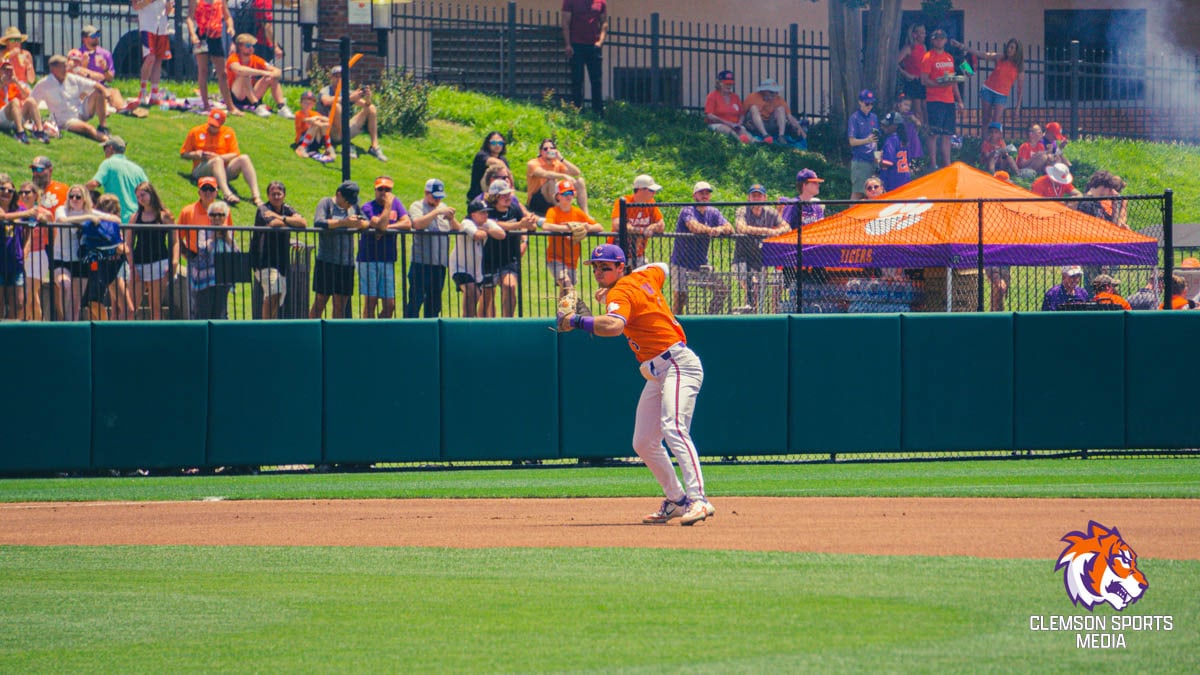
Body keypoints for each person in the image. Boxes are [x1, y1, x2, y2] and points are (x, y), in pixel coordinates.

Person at [557, 244, 714, 526]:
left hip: (678, 363)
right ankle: (677, 501)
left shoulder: (621, 291)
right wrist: (627, 280)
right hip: (658, 371)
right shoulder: (646, 276)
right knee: (643, 442)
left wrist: (577, 321)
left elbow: (614, 327)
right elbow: (663, 267)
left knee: (674, 428)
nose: (598, 272)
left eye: (605, 267)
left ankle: (699, 500)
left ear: (620, 267)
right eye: (595, 267)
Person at [670, 181, 732, 315]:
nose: (705, 196)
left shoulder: (713, 212)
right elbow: (694, 227)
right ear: (694, 195)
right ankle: (676, 325)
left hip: (700, 263)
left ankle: (708, 318)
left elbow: (729, 227)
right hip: (681, 262)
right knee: (680, 298)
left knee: (721, 289)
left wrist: (719, 229)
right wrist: (711, 230)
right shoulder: (688, 210)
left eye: (707, 193)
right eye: (701, 193)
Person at [180, 108, 263, 206]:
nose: (211, 127)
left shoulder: (228, 132)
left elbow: (235, 154)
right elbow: (183, 154)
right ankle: (227, 194)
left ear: (221, 125)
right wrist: (195, 155)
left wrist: (218, 157)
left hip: (223, 170)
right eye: (210, 124)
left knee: (244, 158)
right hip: (201, 170)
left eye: (215, 126)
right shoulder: (196, 131)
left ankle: (256, 197)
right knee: (217, 160)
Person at [542, 179, 602, 312]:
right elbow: (546, 226)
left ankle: (562, 317)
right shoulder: (553, 211)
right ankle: (572, 314)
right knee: (567, 285)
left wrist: (587, 227)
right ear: (557, 196)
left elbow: (599, 226)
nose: (569, 196)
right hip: (555, 257)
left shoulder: (577, 212)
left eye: (571, 192)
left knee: (565, 290)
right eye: (565, 193)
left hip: (572, 260)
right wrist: (566, 227)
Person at [310, 180, 367, 319]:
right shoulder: (326, 203)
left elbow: (366, 221)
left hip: (346, 263)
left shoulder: (354, 207)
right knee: (320, 302)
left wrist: (360, 224)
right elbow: (319, 222)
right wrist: (344, 222)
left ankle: (334, 337)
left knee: (340, 306)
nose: (350, 204)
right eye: (347, 200)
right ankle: (311, 333)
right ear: (339, 194)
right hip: (326, 261)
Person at [481, 179, 538, 318]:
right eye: (503, 195)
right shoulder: (487, 210)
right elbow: (493, 224)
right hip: (488, 260)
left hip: (509, 258)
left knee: (510, 286)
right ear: (494, 197)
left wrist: (528, 231)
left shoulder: (514, 208)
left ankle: (508, 322)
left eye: (508, 194)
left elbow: (527, 224)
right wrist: (518, 224)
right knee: (487, 296)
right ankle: (481, 326)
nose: (507, 197)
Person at [250, 180, 306, 319]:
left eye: (279, 194)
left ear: (284, 195)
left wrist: (281, 217)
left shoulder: (286, 209)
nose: (276, 197)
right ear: (268, 196)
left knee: (279, 294)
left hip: (281, 261)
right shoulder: (263, 209)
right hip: (264, 261)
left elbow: (303, 223)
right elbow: (274, 224)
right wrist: (289, 221)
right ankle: (265, 327)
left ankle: (271, 325)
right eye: (273, 194)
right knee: (273, 292)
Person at [357, 176, 412, 319]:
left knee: (390, 304)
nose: (384, 192)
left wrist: (387, 228)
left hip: (387, 259)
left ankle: (380, 332)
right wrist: (387, 207)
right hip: (369, 259)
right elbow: (378, 224)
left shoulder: (397, 204)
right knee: (371, 302)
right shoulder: (367, 207)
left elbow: (407, 224)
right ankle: (368, 334)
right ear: (375, 190)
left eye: (387, 189)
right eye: (380, 189)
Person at [405, 178, 460, 319]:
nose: (438, 200)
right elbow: (417, 224)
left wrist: (451, 218)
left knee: (434, 305)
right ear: (426, 193)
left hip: (439, 266)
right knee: (415, 302)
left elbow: (457, 228)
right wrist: (436, 212)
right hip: (420, 264)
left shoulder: (443, 207)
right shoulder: (417, 206)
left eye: (440, 197)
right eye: (435, 197)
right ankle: (409, 334)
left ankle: (430, 336)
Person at [177, 177, 231, 318]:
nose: (208, 192)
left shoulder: (225, 211)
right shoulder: (188, 211)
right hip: (197, 261)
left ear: (216, 192)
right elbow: (178, 236)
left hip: (220, 263)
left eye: (211, 189)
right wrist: (188, 255)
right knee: (196, 302)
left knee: (220, 304)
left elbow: (230, 236)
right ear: (199, 192)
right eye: (204, 189)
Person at [127, 181, 177, 320]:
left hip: (159, 263)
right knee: (130, 307)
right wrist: (132, 267)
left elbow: (175, 241)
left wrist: (174, 261)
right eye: (138, 196)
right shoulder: (135, 217)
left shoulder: (164, 216)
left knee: (155, 306)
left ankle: (157, 338)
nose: (140, 199)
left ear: (151, 194)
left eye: (143, 194)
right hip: (138, 263)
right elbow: (129, 244)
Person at [732, 183, 787, 312]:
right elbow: (741, 228)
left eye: (759, 196)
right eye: (754, 196)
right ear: (748, 198)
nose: (756, 198)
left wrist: (776, 231)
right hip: (742, 258)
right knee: (752, 288)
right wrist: (767, 231)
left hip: (761, 259)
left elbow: (787, 227)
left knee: (766, 287)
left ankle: (763, 316)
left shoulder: (770, 212)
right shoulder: (742, 210)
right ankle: (752, 315)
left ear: (765, 198)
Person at [31, 54, 110, 142]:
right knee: (87, 128)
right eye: (62, 67)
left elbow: (96, 85)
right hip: (64, 119)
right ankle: (109, 142)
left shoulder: (72, 78)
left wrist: (106, 94)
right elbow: (31, 102)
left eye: (66, 67)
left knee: (98, 92)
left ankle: (103, 127)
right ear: (53, 69)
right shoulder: (43, 84)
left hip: (80, 111)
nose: (65, 70)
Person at [317, 65, 387, 161]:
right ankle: (346, 145)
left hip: (344, 129)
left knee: (371, 108)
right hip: (329, 131)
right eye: (336, 76)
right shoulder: (325, 90)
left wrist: (367, 97)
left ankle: (374, 147)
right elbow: (326, 101)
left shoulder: (347, 92)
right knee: (336, 106)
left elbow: (366, 105)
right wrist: (349, 98)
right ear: (331, 78)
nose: (338, 79)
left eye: (341, 76)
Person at [449, 197, 504, 318]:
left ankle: (468, 324)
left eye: (486, 212)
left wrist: (486, 229)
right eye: (482, 212)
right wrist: (487, 231)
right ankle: (466, 326)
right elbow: (477, 235)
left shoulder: (486, 223)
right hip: (460, 267)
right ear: (473, 214)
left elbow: (501, 234)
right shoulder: (466, 222)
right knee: (472, 292)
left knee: (475, 295)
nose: (486, 215)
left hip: (476, 271)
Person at [919, 28, 961, 171]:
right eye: (937, 38)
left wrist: (959, 100)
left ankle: (947, 164)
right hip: (935, 99)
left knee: (947, 133)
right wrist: (939, 84)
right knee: (934, 133)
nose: (939, 40)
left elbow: (953, 81)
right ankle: (933, 164)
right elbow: (924, 80)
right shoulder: (928, 57)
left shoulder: (949, 57)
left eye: (942, 38)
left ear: (945, 40)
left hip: (949, 100)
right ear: (932, 40)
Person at [187, 0, 238, 115]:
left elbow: (228, 16)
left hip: (216, 37)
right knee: (203, 71)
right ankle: (205, 104)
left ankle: (230, 106)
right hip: (202, 36)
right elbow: (190, 18)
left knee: (222, 73)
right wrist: (193, 34)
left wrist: (230, 27)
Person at [225, 33, 292, 118]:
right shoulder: (233, 58)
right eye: (248, 45)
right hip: (236, 94)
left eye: (253, 46)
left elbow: (277, 71)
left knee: (272, 78)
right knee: (244, 74)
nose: (251, 48)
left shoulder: (255, 58)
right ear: (240, 47)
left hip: (251, 92)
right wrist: (263, 72)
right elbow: (239, 69)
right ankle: (256, 105)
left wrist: (272, 74)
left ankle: (281, 107)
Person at [189, 199, 237, 320]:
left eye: (220, 215)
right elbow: (202, 251)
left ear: (225, 217)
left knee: (221, 313)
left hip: (222, 278)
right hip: (206, 279)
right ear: (209, 217)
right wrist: (213, 238)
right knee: (203, 312)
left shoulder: (229, 232)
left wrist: (227, 239)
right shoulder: (203, 231)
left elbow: (236, 253)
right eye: (213, 215)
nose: (217, 218)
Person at [86, 136, 150, 224]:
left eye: (104, 148)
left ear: (110, 148)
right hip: (137, 218)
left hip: (117, 217)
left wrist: (79, 191)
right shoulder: (137, 169)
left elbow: (94, 184)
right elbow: (149, 190)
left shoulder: (108, 163)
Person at [69, 25, 131, 113]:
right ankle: (104, 108)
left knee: (114, 92)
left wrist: (105, 69)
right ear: (84, 39)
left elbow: (110, 79)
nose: (96, 39)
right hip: (84, 88)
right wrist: (84, 66)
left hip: (101, 87)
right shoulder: (78, 54)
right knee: (97, 93)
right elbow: (75, 78)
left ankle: (122, 108)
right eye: (93, 36)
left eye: (97, 36)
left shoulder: (105, 54)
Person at [561, 0, 607, 115]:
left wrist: (600, 42)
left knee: (596, 81)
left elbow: (604, 23)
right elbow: (565, 23)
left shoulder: (600, 2)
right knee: (577, 80)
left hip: (593, 46)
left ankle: (598, 112)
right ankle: (577, 111)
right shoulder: (569, 1)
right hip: (576, 45)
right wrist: (568, 44)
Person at [609, 174, 665, 268]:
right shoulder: (624, 201)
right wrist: (642, 231)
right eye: (651, 190)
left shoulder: (650, 203)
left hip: (638, 254)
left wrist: (651, 227)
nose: (654, 193)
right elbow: (617, 224)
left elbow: (661, 225)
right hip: (617, 252)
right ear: (640, 189)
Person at [966, 38, 1023, 127]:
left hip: (1001, 94)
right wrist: (963, 47)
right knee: (986, 119)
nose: (1009, 49)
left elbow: (1020, 89)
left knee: (996, 122)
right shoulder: (1001, 57)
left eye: (1012, 48)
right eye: (1009, 47)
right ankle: (985, 140)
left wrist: (1018, 107)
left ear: (1017, 51)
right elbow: (983, 54)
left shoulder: (1018, 67)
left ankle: (995, 141)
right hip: (988, 89)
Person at [525, 137, 588, 216]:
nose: (549, 150)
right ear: (541, 152)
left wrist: (561, 159)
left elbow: (576, 172)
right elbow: (544, 174)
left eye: (552, 148)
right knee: (552, 181)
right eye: (545, 149)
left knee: (580, 181)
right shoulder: (533, 163)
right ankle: (561, 212)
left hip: (553, 196)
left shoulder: (557, 163)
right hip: (537, 201)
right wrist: (563, 175)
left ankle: (585, 214)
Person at [17, 182, 51, 320]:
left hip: (37, 256)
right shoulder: (18, 211)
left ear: (35, 195)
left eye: (27, 192)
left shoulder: (44, 213)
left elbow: (52, 235)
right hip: (22, 256)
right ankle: (39, 328)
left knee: (27, 297)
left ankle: (17, 328)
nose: (24, 195)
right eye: (22, 192)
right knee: (33, 297)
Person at [742, 77, 806, 146]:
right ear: (764, 91)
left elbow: (789, 117)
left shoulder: (778, 99)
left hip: (771, 124)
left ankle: (781, 136)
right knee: (753, 108)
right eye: (772, 92)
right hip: (755, 125)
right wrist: (742, 126)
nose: (775, 94)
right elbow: (742, 114)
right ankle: (765, 135)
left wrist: (800, 129)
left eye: (776, 92)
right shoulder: (752, 97)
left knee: (780, 109)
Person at [133, 0, 174, 106]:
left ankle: (154, 94)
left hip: (162, 27)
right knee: (150, 58)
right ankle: (142, 91)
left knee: (158, 59)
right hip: (147, 26)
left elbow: (169, 11)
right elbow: (136, 6)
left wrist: (169, 6)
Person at [0, 174, 30, 319]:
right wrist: (30, 212)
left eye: (10, 191)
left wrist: (26, 248)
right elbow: (3, 216)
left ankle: (11, 335)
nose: (6, 193)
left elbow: (34, 223)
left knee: (18, 303)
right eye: (2, 189)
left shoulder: (19, 210)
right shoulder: (22, 211)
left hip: (16, 262)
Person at [1, 61, 47, 144]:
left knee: (31, 101)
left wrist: (17, 84)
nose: (8, 72)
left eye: (10, 70)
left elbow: (26, 96)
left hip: (16, 116)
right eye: (5, 70)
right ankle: (20, 133)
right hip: (2, 116)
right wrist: (2, 83)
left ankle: (40, 131)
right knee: (14, 101)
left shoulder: (17, 84)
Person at [848, 89, 879, 199]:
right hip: (860, 162)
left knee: (872, 194)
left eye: (872, 103)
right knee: (858, 193)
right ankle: (850, 216)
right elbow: (852, 141)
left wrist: (877, 157)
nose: (869, 106)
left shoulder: (874, 117)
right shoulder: (854, 118)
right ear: (860, 102)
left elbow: (875, 140)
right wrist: (867, 140)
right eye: (867, 103)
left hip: (872, 161)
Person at [704, 70, 750, 143]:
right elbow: (709, 115)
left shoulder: (735, 97)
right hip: (717, 124)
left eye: (731, 84)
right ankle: (741, 143)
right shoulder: (712, 96)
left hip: (735, 125)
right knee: (728, 131)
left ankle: (759, 145)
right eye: (726, 84)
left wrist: (739, 123)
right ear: (719, 83)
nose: (729, 86)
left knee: (745, 133)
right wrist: (726, 122)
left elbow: (742, 114)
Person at [897, 23, 927, 133]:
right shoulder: (908, 48)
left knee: (925, 109)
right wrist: (905, 74)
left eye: (924, 32)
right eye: (922, 33)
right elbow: (896, 63)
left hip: (923, 81)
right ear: (915, 35)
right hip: (913, 82)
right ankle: (918, 133)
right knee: (917, 110)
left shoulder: (923, 47)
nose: (924, 35)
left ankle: (924, 131)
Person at [292, 90, 334, 163]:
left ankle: (328, 148)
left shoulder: (314, 113)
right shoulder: (299, 114)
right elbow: (310, 121)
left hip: (314, 141)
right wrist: (321, 122)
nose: (308, 105)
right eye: (305, 103)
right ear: (301, 103)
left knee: (321, 126)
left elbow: (326, 119)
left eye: (310, 103)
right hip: (302, 140)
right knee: (315, 125)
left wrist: (318, 119)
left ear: (313, 105)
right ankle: (301, 148)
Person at [468, 131, 509, 205]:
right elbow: (495, 163)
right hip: (478, 195)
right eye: (494, 143)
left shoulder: (503, 159)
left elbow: (508, 177)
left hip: (497, 196)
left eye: (500, 143)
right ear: (488, 144)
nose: (497, 145)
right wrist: (508, 172)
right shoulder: (481, 155)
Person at [877, 112, 912, 192]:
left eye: (887, 125)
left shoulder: (891, 139)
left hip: (893, 181)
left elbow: (889, 162)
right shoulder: (904, 140)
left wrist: (878, 161)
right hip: (905, 179)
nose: (884, 127)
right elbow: (908, 160)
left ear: (895, 126)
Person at [894, 94, 925, 174]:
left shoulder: (910, 115)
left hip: (910, 136)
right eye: (905, 105)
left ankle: (911, 168)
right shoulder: (896, 115)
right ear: (899, 104)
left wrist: (916, 123)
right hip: (901, 137)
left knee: (911, 152)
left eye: (909, 106)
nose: (907, 107)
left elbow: (918, 123)